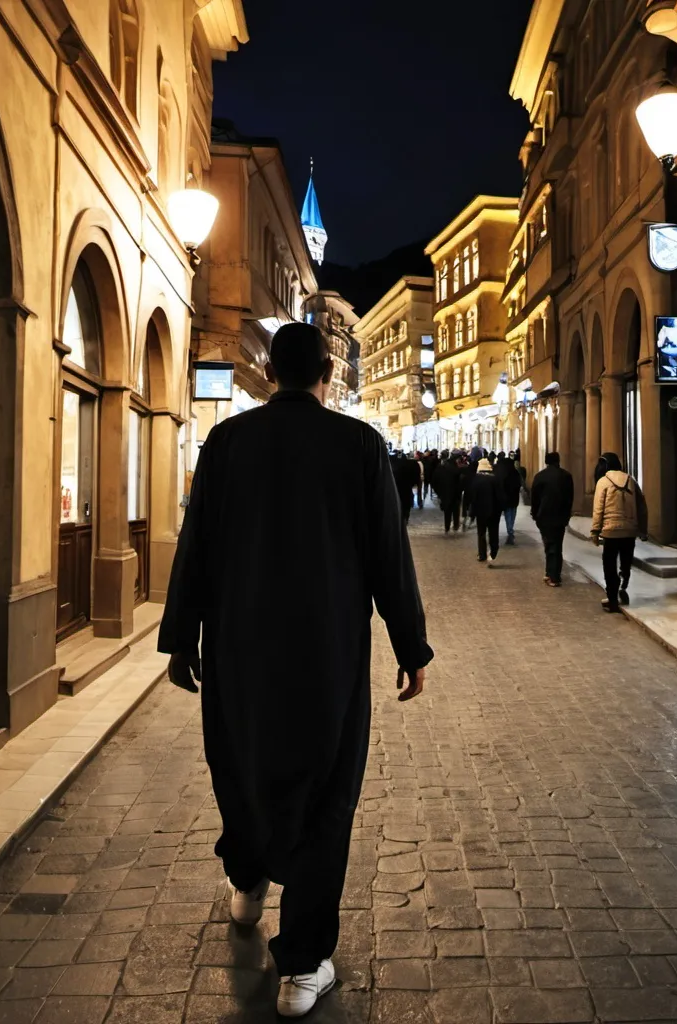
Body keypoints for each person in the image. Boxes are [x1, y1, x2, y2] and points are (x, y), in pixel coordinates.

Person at [158, 323, 432, 1018]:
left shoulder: (227, 443)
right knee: (325, 791)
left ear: (271, 371)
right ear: (327, 374)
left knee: (242, 764)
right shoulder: (360, 447)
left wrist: (180, 636)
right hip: (327, 654)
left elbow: (198, 543)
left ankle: (247, 882)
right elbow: (387, 561)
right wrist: (411, 647)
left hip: (239, 649)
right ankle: (303, 967)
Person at [590, 451, 647, 612]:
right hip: (629, 530)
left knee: (609, 564)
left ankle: (613, 598)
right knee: (626, 560)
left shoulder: (603, 482)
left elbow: (598, 508)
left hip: (610, 530)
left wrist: (595, 531)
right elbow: (642, 507)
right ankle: (624, 582)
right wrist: (643, 529)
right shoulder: (630, 480)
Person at [530, 452, 574, 587]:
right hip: (560, 516)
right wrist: (567, 515)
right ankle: (552, 573)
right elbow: (569, 498)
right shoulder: (566, 476)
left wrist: (535, 513)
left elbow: (534, 497)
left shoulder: (540, 477)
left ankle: (553, 576)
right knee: (557, 545)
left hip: (544, 516)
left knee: (549, 545)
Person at [468, 457, 503, 565]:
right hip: (494, 511)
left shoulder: (476, 480)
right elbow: (501, 497)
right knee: (493, 532)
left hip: (480, 511)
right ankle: (493, 553)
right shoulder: (496, 479)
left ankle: (481, 554)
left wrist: (471, 512)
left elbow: (472, 497)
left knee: (481, 533)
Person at [494, 452, 522, 545]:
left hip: (506, 499)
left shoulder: (503, 474)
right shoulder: (516, 473)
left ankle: (510, 531)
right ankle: (510, 531)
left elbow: (500, 486)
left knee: (508, 515)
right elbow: (519, 485)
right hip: (514, 499)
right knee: (512, 515)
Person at [433, 452, 461, 533]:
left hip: (445, 494)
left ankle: (447, 527)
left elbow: (435, 480)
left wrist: (439, 493)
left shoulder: (442, 467)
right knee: (455, 511)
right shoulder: (456, 469)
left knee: (447, 511)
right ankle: (455, 526)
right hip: (455, 494)